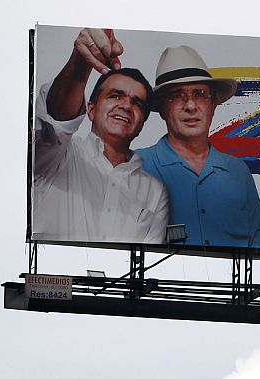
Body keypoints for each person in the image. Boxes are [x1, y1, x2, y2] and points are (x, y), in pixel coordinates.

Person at [33, 28, 168, 244]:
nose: (126, 106)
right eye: (115, 96)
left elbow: (145, 261)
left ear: (142, 122)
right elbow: (54, 123)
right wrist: (80, 64)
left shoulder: (153, 192)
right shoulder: (58, 157)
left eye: (137, 103)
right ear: (91, 109)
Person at [137, 45, 260, 248]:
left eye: (199, 94)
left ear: (213, 104)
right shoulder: (135, 167)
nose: (190, 106)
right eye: (176, 95)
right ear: (162, 108)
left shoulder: (238, 172)